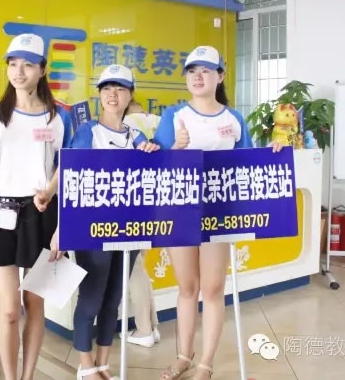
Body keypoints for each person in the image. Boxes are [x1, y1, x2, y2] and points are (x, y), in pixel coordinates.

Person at [0, 33, 72, 380]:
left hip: (42, 215)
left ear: (42, 69)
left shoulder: (59, 116)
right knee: (8, 311)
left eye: (28, 65)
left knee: (34, 303)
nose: (18, 71)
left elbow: (67, 166)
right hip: (3, 212)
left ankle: (28, 376)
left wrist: (49, 191)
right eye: (13, 64)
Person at [154, 46, 251, 380]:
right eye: (192, 71)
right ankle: (184, 356)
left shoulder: (234, 119)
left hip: (218, 212)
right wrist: (176, 147)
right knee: (187, 286)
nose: (197, 76)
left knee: (211, 288)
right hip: (179, 209)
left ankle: (206, 363)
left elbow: (248, 163)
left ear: (220, 76)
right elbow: (154, 167)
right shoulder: (174, 116)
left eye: (206, 70)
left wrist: (275, 151)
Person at [70, 64, 160, 380]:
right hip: (92, 230)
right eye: (107, 88)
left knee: (114, 299)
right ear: (99, 94)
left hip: (128, 229)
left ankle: (103, 363)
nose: (113, 94)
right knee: (92, 297)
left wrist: (152, 153)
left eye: (120, 89)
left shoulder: (137, 137)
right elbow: (73, 177)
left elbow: (150, 176)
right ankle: (85, 366)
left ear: (130, 95)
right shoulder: (87, 132)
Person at [122, 100, 162, 348]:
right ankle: (152, 326)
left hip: (128, 201)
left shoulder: (125, 126)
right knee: (140, 265)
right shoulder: (157, 123)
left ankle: (144, 329)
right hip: (150, 201)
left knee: (134, 268)